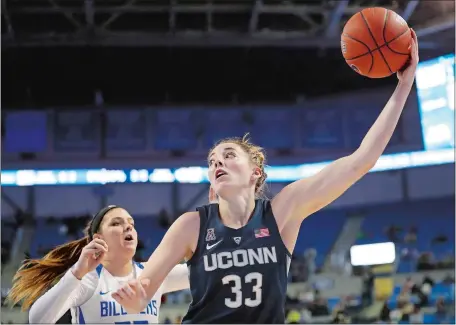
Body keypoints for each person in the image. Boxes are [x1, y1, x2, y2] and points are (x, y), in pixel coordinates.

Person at [112, 30, 420, 323]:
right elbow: (142, 294)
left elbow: (360, 162)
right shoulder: (191, 225)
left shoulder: (282, 211)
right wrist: (131, 298)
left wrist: (404, 85)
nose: (218, 162)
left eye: (229, 155)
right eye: (212, 161)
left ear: (255, 173)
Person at [6, 205, 190, 324]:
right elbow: (38, 320)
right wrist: (77, 272)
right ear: (99, 239)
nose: (128, 227)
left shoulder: (153, 274)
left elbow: (210, 271)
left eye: (131, 224)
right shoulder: (88, 281)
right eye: (116, 223)